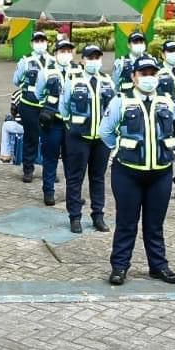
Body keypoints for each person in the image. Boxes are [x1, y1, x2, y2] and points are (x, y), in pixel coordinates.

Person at [101, 56, 175, 285]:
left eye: (152, 73)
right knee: (126, 222)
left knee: (155, 224)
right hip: (128, 172)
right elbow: (105, 131)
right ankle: (119, 266)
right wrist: (120, 149)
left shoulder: (167, 102)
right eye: (143, 73)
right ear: (134, 77)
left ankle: (158, 266)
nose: (149, 78)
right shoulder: (121, 101)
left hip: (161, 172)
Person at [59, 44, 116, 234]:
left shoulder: (108, 81)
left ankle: (98, 215)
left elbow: (113, 110)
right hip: (78, 137)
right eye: (90, 58)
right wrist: (72, 126)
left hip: (101, 139)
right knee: (75, 178)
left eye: (97, 58)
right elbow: (63, 107)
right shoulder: (72, 82)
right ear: (83, 60)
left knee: (98, 178)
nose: (94, 61)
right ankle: (75, 216)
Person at [36, 38, 76, 207]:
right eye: (62, 51)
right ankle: (49, 191)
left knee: (71, 160)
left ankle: (72, 193)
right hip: (52, 122)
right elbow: (38, 94)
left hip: (72, 123)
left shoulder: (78, 72)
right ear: (56, 54)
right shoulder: (46, 72)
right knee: (50, 158)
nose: (65, 55)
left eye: (68, 51)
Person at [11, 31, 52, 184]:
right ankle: (28, 169)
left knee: (50, 139)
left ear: (47, 43)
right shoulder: (25, 61)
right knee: (31, 137)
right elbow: (16, 80)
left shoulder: (53, 61)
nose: (40, 43)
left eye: (42, 40)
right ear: (32, 43)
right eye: (37, 41)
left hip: (47, 105)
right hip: (29, 104)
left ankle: (50, 171)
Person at [113, 31, 148, 95]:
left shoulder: (151, 60)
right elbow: (115, 85)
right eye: (135, 42)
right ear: (129, 45)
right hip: (127, 100)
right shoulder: (121, 62)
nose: (139, 44)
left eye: (141, 42)